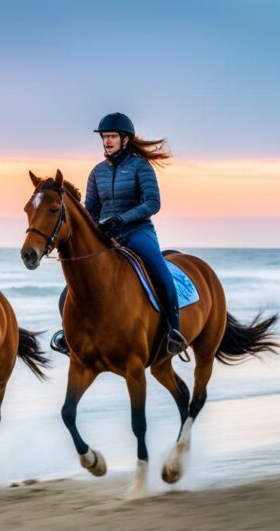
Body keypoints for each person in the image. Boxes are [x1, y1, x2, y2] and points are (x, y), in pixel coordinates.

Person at [51, 112, 186, 356]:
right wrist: (91, 230)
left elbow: (153, 203)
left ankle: (174, 331)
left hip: (137, 231)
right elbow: (91, 210)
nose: (107, 141)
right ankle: (67, 335)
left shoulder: (140, 167)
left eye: (112, 136)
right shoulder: (97, 172)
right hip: (107, 235)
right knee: (72, 288)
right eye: (104, 137)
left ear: (125, 140)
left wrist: (121, 219)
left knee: (158, 269)